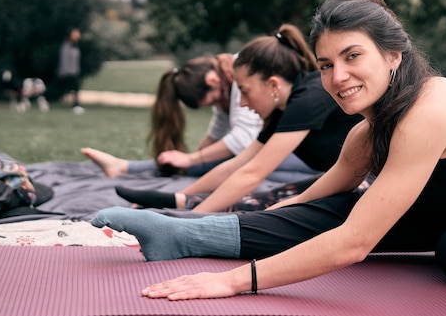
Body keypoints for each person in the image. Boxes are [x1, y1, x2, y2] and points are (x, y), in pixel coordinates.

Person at [91, 0, 446, 299]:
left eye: (353, 56)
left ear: (393, 55)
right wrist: (241, 224)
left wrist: (232, 282)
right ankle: (185, 232)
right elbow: (317, 197)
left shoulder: (429, 111)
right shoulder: (368, 132)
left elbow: (353, 244)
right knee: (341, 208)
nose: (338, 77)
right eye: (326, 64)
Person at [114, 24, 363, 212]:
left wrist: (188, 221)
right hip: (349, 181)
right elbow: (237, 165)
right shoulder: (284, 108)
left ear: (273, 84)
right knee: (277, 197)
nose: (242, 103)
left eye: (244, 91)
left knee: (276, 206)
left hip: (373, 184)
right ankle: (180, 201)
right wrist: (183, 195)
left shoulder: (308, 98)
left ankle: (186, 207)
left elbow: (251, 174)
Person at [82, 53, 317, 180]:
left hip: (303, 151)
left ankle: (126, 167)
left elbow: (243, 139)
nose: (217, 105)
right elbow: (216, 134)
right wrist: (188, 160)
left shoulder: (242, 79)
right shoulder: (226, 86)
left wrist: (192, 161)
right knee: (224, 164)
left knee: (234, 165)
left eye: (213, 100)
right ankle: (126, 167)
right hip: (290, 150)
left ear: (212, 81)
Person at [57, 27, 83, 114]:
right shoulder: (66, 46)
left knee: (75, 89)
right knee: (67, 89)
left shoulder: (75, 46)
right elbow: (63, 60)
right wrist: (63, 72)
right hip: (67, 72)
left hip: (74, 72)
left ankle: (76, 105)